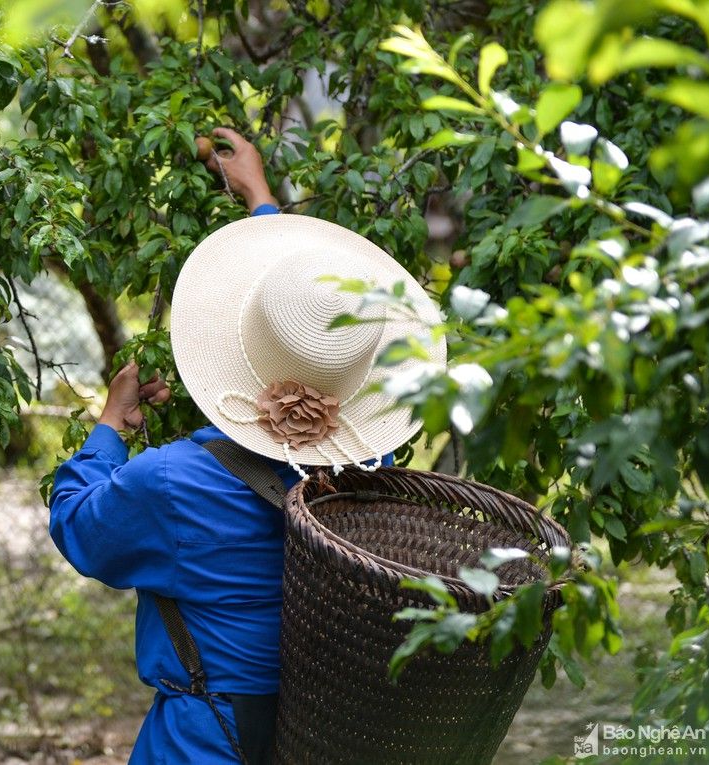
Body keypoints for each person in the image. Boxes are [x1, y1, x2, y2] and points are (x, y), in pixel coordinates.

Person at [49, 128, 446, 763]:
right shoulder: (369, 466)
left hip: (208, 738)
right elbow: (311, 317)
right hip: (321, 733)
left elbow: (79, 529)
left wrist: (108, 431)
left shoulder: (172, 483)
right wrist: (262, 201)